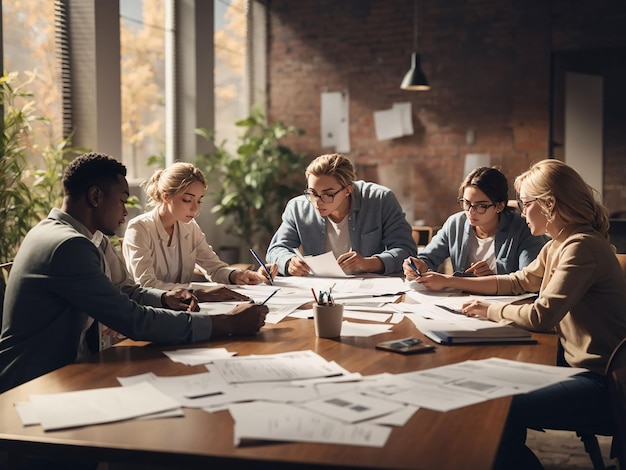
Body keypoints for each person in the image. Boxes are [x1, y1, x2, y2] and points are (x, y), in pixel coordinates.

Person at [404, 159, 626, 469]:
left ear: (548, 204)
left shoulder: (581, 248)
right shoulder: (558, 245)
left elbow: (541, 316)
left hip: (603, 384)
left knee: (499, 404)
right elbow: (519, 281)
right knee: (488, 387)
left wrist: (490, 310)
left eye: (524, 204)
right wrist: (457, 283)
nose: (520, 213)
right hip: (580, 368)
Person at [0, 153, 268, 394]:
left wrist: (165, 299)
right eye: (121, 201)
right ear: (95, 197)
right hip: (36, 382)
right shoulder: (68, 246)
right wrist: (227, 324)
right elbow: (132, 321)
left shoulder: (93, 239)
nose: (125, 212)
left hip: (73, 369)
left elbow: (128, 291)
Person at [122, 162, 277, 300]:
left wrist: (236, 275)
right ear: (166, 196)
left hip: (184, 309)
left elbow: (214, 268)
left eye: (199, 200)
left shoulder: (189, 226)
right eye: (188, 200)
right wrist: (200, 292)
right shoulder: (139, 229)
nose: (195, 208)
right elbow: (147, 285)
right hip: (148, 315)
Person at [266, 153, 416, 276]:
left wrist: (368, 263)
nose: (317, 202)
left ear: (348, 190)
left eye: (328, 194)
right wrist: (288, 262)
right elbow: (276, 250)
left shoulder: (380, 200)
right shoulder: (298, 207)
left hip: (369, 290)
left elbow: (406, 250)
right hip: (319, 290)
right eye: (312, 193)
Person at [405, 167, 548, 277]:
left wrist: (493, 279)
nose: (471, 212)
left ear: (499, 206)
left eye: (481, 206)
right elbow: (428, 258)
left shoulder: (522, 228)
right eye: (466, 203)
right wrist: (419, 265)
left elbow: (529, 280)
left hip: (504, 305)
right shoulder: (456, 224)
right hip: (462, 303)